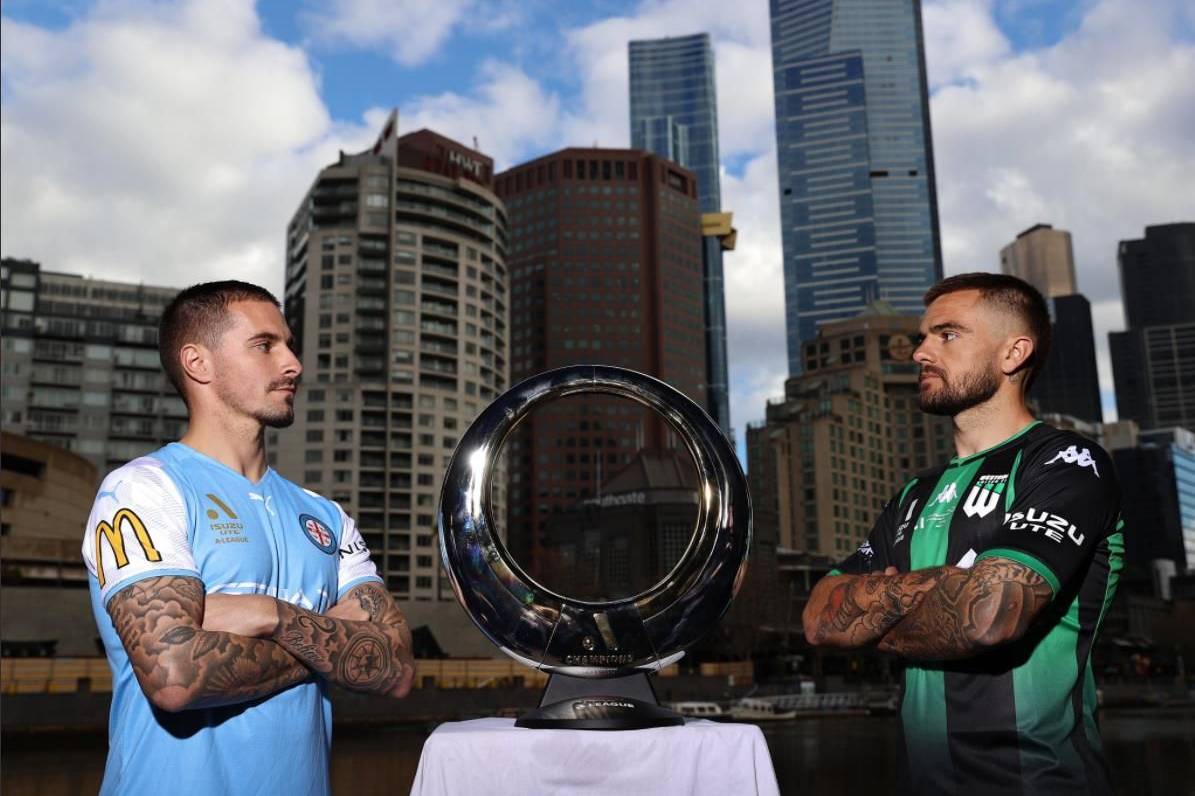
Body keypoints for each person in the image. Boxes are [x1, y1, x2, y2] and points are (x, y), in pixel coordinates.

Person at [82, 281, 414, 795]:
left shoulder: (325, 516)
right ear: (199, 363)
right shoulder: (143, 490)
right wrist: (330, 640)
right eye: (264, 345)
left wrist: (269, 616)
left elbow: (396, 669)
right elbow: (174, 676)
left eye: (289, 345)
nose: (293, 364)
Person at [803, 273, 1123, 795]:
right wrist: (952, 591)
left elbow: (990, 616)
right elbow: (819, 619)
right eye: (923, 337)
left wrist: (877, 615)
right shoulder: (914, 493)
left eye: (947, 335)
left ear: (1013, 353)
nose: (920, 353)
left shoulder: (1067, 462)